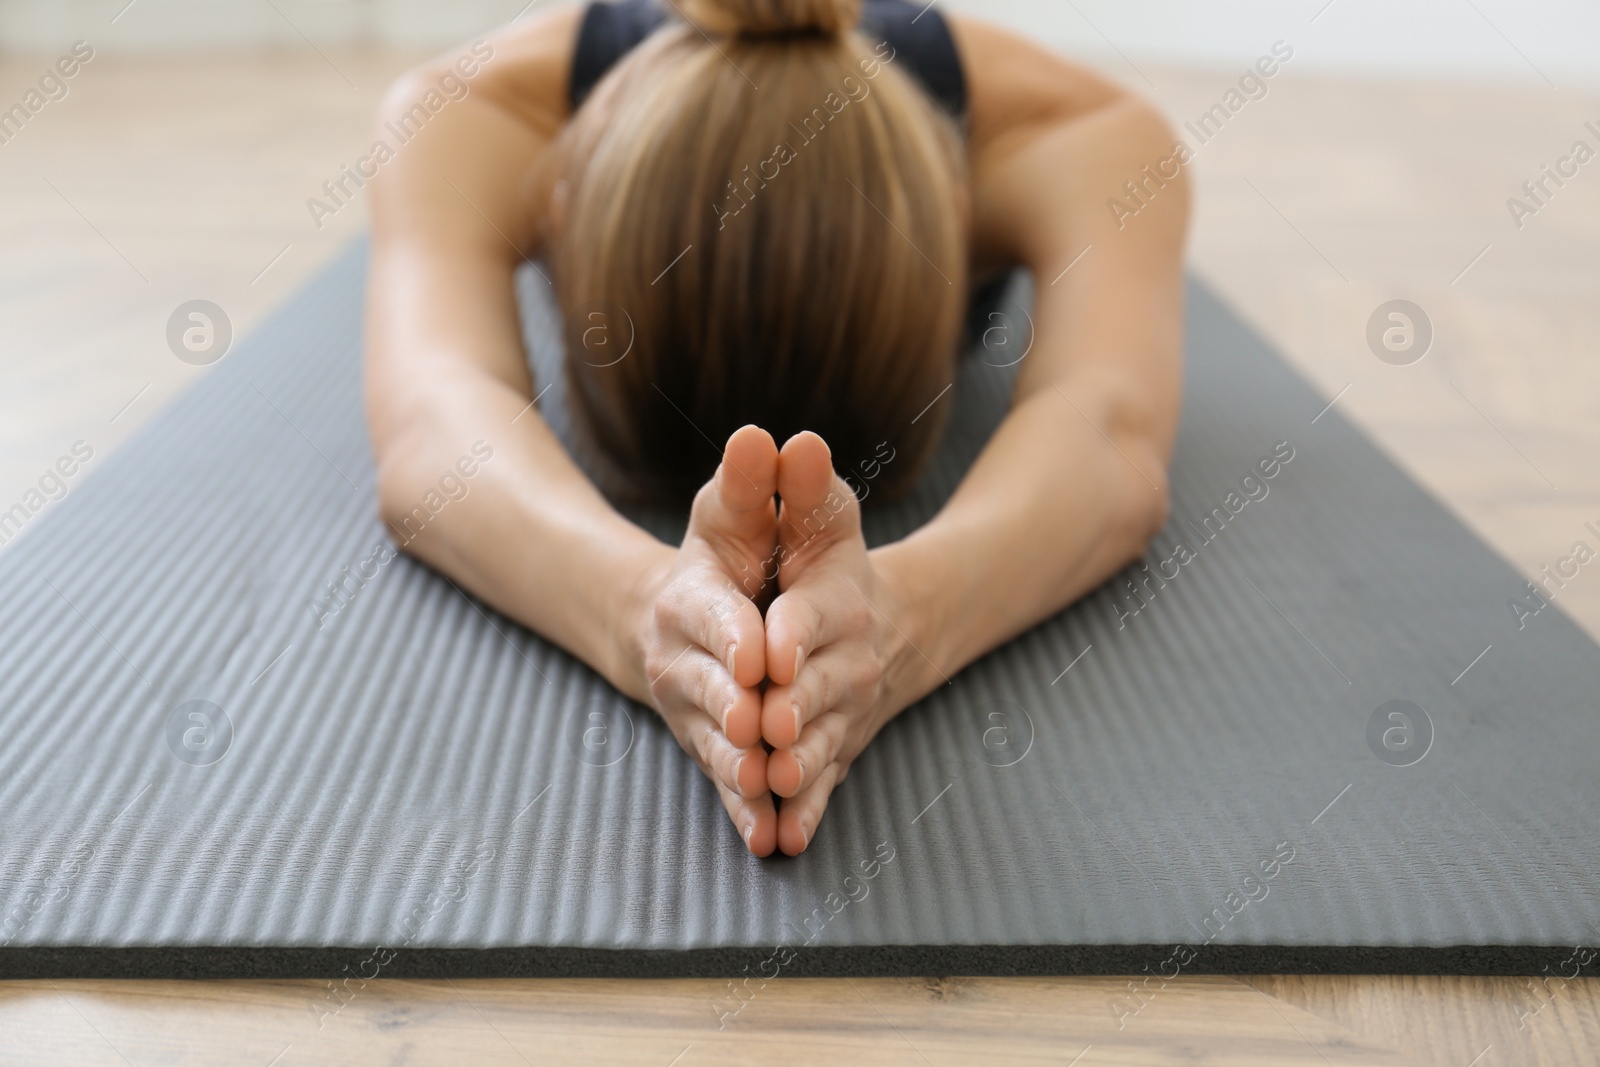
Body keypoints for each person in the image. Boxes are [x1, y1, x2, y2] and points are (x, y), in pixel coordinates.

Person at [364, 0, 1188, 857]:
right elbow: (436, 422)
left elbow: (1108, 433)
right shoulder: (464, 113)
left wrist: (903, 620)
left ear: (961, 206)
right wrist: (650, 616)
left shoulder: (1081, 129)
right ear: (561, 209)